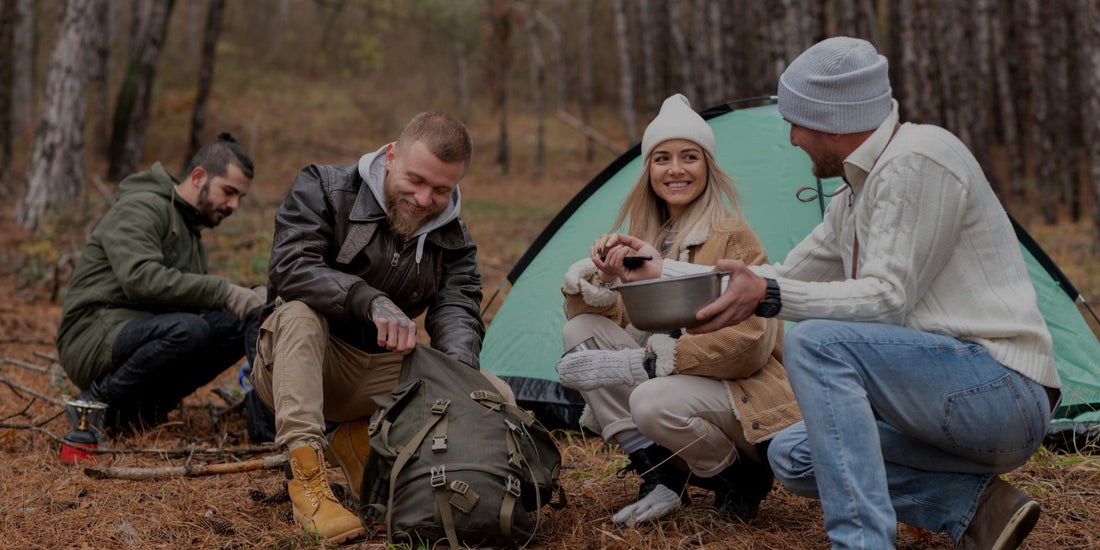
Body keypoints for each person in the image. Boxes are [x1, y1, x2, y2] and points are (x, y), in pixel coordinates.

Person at [665, 37, 1059, 550]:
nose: (791, 138)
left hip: (1001, 394)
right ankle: (977, 507)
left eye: (797, 122)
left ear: (833, 120)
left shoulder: (919, 159)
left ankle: (861, 544)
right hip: (934, 397)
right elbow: (781, 274)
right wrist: (661, 271)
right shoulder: (859, 189)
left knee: (817, 343)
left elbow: (886, 298)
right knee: (794, 455)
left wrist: (768, 294)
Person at [250, 111, 516, 544]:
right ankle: (307, 482)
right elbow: (292, 267)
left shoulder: (453, 235)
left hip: (381, 374)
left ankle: (364, 443)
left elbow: (458, 311)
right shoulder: (324, 187)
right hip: (304, 365)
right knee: (298, 312)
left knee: (491, 392)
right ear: (391, 155)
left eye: (441, 189)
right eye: (415, 179)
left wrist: (457, 383)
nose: (425, 199)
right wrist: (367, 299)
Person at [554, 94, 801, 527]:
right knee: (580, 335)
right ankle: (661, 474)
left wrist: (651, 362)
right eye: (662, 158)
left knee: (649, 398)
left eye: (690, 157)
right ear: (648, 170)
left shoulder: (732, 235)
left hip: (737, 396)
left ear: (707, 166)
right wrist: (600, 283)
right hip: (675, 391)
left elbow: (749, 346)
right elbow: (630, 327)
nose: (675, 169)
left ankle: (739, 477)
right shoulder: (644, 236)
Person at [57, 133, 263, 432]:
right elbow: (140, 279)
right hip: (92, 333)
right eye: (228, 192)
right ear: (198, 176)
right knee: (190, 330)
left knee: (235, 322)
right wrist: (226, 292)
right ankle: (97, 400)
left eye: (239, 198)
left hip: (140, 331)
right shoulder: (142, 207)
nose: (233, 205)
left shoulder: (192, 236)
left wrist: (255, 298)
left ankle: (144, 410)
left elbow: (190, 309)